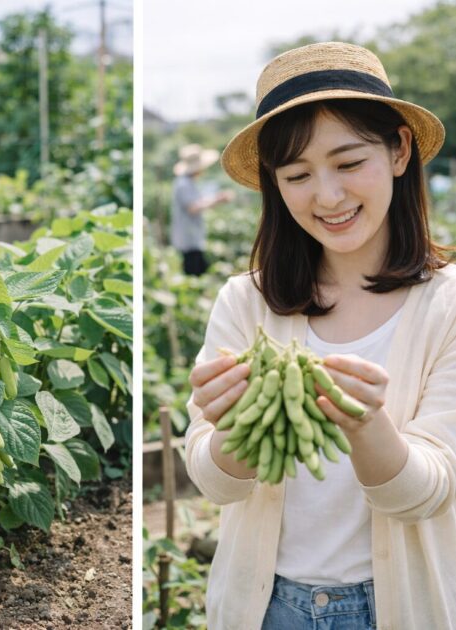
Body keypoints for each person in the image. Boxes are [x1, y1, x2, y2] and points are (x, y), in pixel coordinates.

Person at [184, 42, 456, 629]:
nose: (327, 196)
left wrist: (364, 424)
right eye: (298, 174)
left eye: (349, 163)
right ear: (275, 184)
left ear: (399, 150)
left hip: (400, 610)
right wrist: (234, 425)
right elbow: (213, 483)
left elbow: (427, 493)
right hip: (267, 608)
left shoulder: (448, 306)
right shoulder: (245, 302)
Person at [170, 143, 234, 276]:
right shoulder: (183, 184)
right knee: (193, 274)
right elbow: (193, 208)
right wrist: (217, 200)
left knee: (199, 271)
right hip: (188, 240)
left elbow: (199, 202)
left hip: (193, 238)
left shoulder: (189, 182)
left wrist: (216, 199)